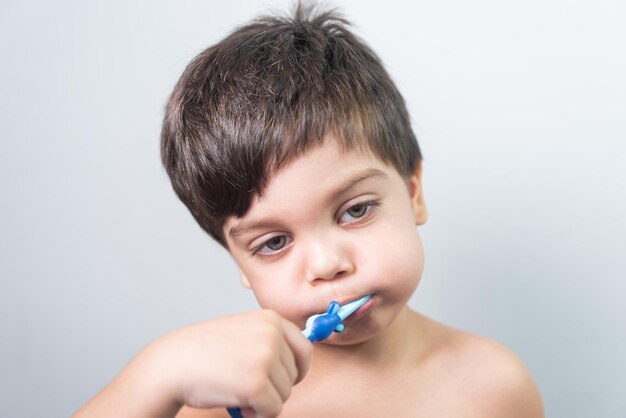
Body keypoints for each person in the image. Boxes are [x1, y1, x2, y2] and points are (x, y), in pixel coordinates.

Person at [73, 4, 543, 418]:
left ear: (413, 192)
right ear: (238, 262)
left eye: (355, 210)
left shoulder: (493, 388)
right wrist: (156, 373)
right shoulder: (215, 404)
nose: (327, 265)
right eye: (273, 242)